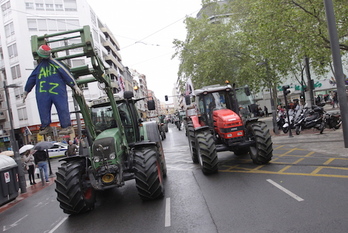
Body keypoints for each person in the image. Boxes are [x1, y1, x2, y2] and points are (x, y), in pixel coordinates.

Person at [23, 45, 83, 135]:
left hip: (46, 91)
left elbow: (66, 74)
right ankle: (51, 126)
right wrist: (26, 91)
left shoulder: (43, 66)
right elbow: (67, 74)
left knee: (59, 107)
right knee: (48, 108)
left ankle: (62, 126)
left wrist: (75, 86)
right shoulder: (54, 65)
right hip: (54, 91)